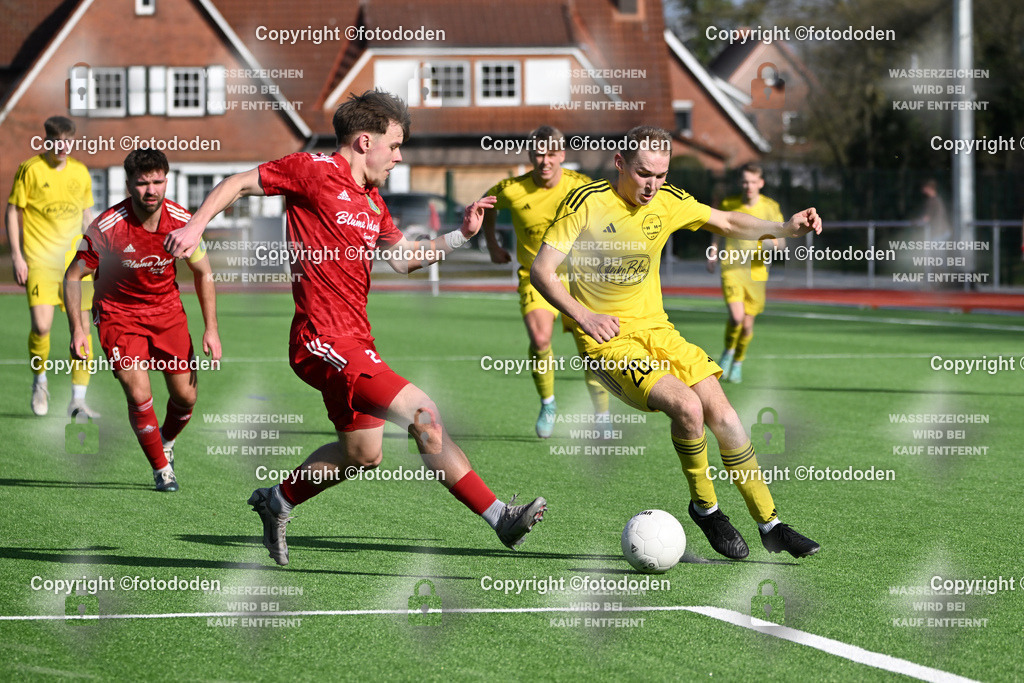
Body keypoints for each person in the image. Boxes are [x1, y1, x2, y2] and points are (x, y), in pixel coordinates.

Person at [163, 89, 546, 566]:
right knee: (424, 414)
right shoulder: (312, 170)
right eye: (395, 145)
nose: (399, 156)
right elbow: (239, 183)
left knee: (363, 454)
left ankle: (278, 500)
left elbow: (405, 259)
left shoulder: (373, 202)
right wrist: (196, 225)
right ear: (365, 142)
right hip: (320, 339)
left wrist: (460, 235)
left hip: (356, 341)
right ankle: (501, 517)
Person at [531, 126, 821, 559]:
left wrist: (783, 227)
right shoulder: (586, 203)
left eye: (661, 175)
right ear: (620, 164)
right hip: (608, 343)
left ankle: (770, 524)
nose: (652, 185)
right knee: (687, 406)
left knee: (725, 415)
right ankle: (707, 509)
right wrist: (584, 316)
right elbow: (542, 271)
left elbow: (727, 221)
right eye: (644, 174)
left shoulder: (667, 201)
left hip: (659, 331)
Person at [65, 149, 221, 492]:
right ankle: (161, 469)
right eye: (142, 183)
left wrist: (211, 329)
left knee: (186, 397)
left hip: (167, 313)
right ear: (128, 185)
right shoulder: (107, 227)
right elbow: (73, 276)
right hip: (118, 315)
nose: (151, 190)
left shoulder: (183, 221)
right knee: (138, 393)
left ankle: (165, 441)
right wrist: (77, 329)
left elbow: (203, 273)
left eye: (157, 181)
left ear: (166, 181)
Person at [483, 126, 609, 437]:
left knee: (593, 346)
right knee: (540, 339)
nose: (545, 161)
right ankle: (548, 403)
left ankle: (602, 414)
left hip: (581, 279)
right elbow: (485, 205)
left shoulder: (581, 186)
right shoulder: (512, 189)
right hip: (537, 279)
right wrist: (493, 245)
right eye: (539, 154)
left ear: (562, 155)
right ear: (530, 155)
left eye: (551, 154)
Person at [6, 115, 99, 417]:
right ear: (46, 140)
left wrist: (95, 254)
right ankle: (40, 382)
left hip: (75, 265)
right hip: (41, 263)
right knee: (41, 326)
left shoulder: (81, 172)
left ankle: (78, 400)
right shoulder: (30, 169)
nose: (62, 147)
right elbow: (12, 211)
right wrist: (17, 256)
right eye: (56, 141)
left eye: (67, 141)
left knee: (82, 329)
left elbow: (86, 215)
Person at [705, 163, 784, 383]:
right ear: (741, 183)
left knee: (747, 325)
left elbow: (782, 242)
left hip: (757, 270)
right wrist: (713, 252)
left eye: (752, 182)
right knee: (736, 317)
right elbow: (717, 230)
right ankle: (728, 352)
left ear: (761, 183)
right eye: (745, 181)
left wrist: (772, 243)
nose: (748, 186)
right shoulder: (729, 204)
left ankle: (738, 362)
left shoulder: (770, 207)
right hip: (731, 267)